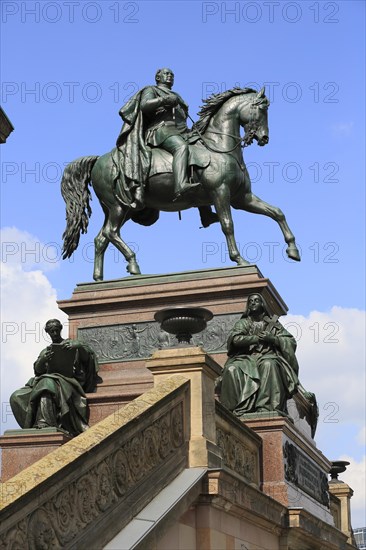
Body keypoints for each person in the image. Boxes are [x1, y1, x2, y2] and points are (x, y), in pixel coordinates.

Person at [114, 68, 218, 227]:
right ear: (158, 77)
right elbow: (144, 105)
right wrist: (163, 101)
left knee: (201, 157)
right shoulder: (152, 90)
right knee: (182, 148)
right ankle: (181, 185)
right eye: (166, 74)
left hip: (182, 131)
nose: (170, 76)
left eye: (172, 75)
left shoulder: (178, 95)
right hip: (161, 131)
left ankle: (206, 213)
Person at [10, 319, 100, 436]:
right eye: (52, 331)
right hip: (45, 381)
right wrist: (43, 361)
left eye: (57, 330)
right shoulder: (46, 351)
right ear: (47, 332)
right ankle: (32, 425)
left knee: (47, 384)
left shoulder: (72, 345)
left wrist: (79, 347)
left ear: (61, 329)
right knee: (16, 396)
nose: (55, 333)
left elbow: (88, 361)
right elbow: (38, 370)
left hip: (69, 382)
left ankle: (45, 423)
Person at [217, 294, 300, 417]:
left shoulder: (273, 324)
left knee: (269, 364)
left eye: (257, 300)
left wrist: (273, 339)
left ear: (262, 304)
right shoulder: (243, 323)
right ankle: (234, 410)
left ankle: (265, 407)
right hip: (245, 358)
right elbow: (235, 339)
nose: (253, 303)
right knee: (231, 369)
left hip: (266, 356)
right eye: (250, 301)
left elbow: (290, 341)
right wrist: (255, 339)